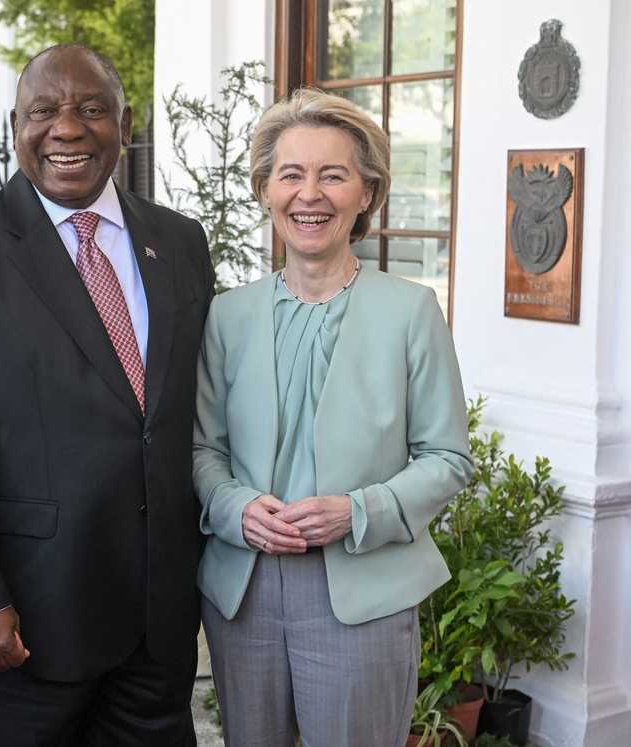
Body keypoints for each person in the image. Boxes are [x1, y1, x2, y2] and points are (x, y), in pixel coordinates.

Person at [0, 44, 214, 747]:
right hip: (26, 625)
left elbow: (188, 418)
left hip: (157, 626)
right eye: (44, 110)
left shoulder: (180, 242)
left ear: (125, 124)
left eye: (91, 109)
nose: (66, 129)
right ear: (14, 125)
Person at [192, 87, 475, 747]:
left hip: (362, 592)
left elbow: (448, 456)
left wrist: (360, 509)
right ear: (266, 189)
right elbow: (203, 448)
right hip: (245, 592)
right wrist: (236, 507)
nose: (309, 194)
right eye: (291, 174)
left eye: (333, 175)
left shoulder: (410, 312)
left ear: (367, 193)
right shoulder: (227, 314)